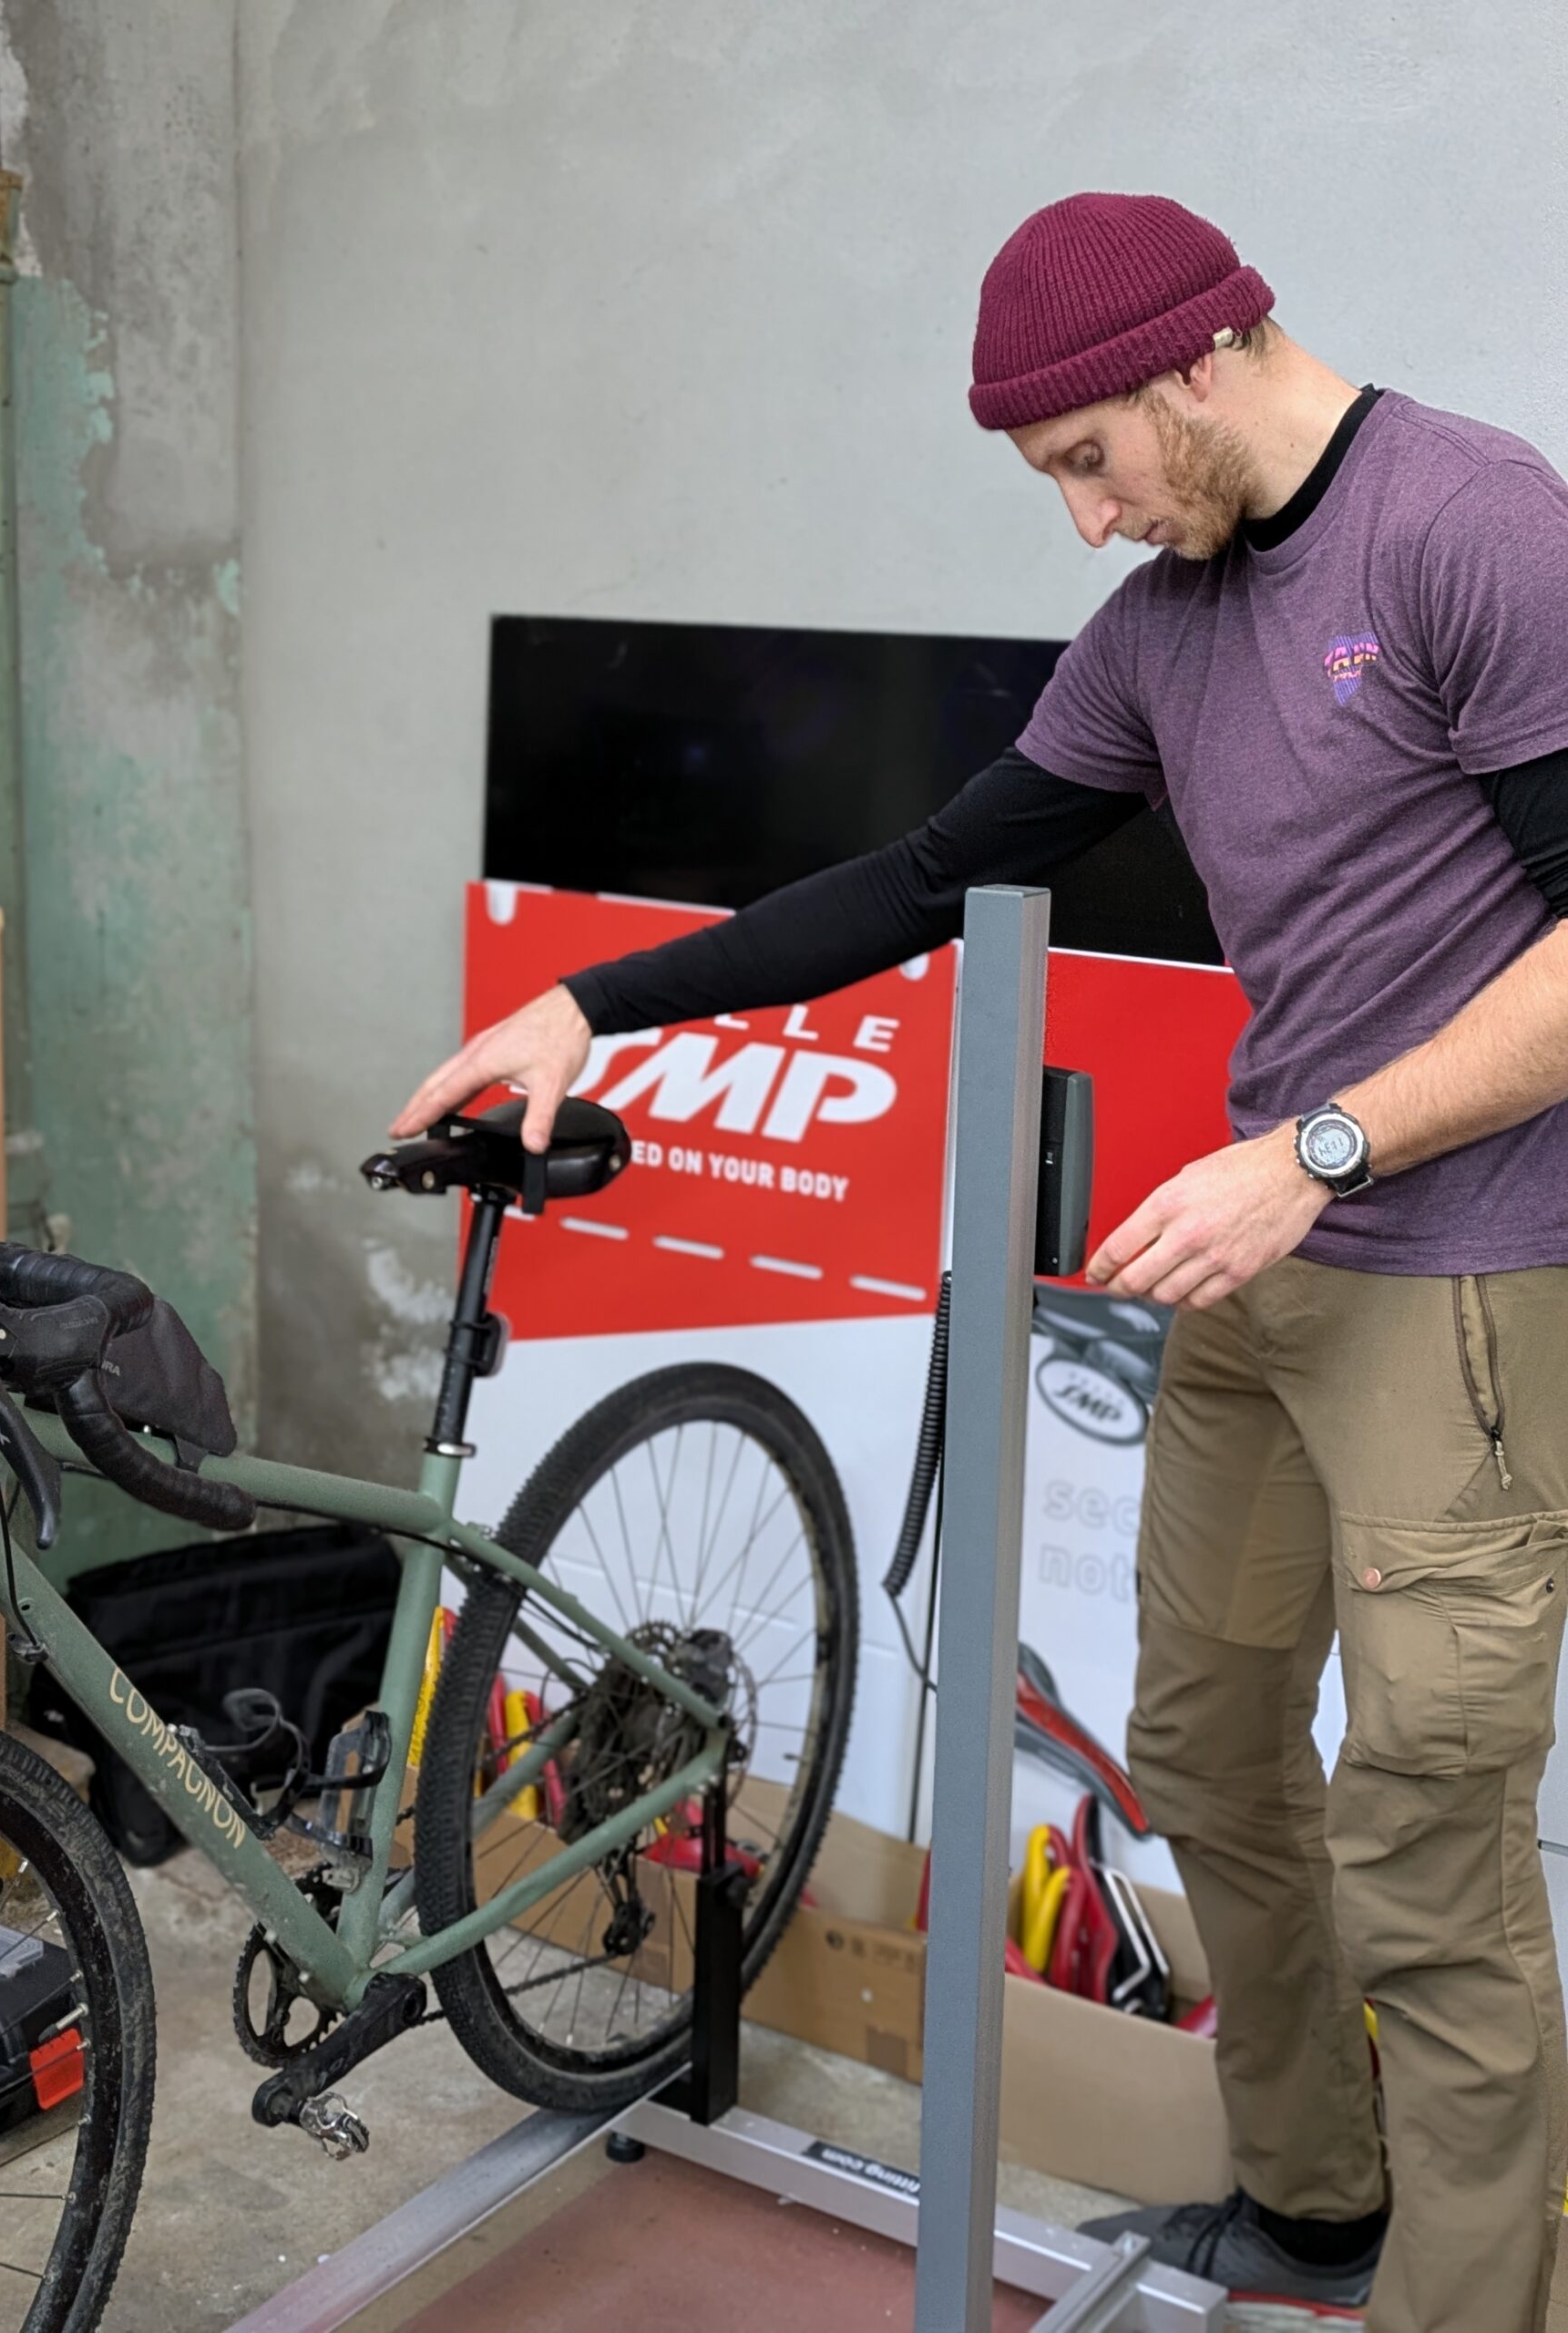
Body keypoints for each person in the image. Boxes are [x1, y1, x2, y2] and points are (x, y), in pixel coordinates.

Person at [392, 192, 1568, 2333]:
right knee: (1205, 1741)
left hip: (1455, 1273)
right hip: (1255, 1263)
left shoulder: (1473, 528)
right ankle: (1316, 2206)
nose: (1083, 522)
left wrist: (1315, 1149)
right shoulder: (1163, 632)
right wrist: (600, 998)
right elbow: (933, 875)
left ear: (1197, 363)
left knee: (1431, 1849)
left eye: (1085, 464)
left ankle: (1465, 2304)